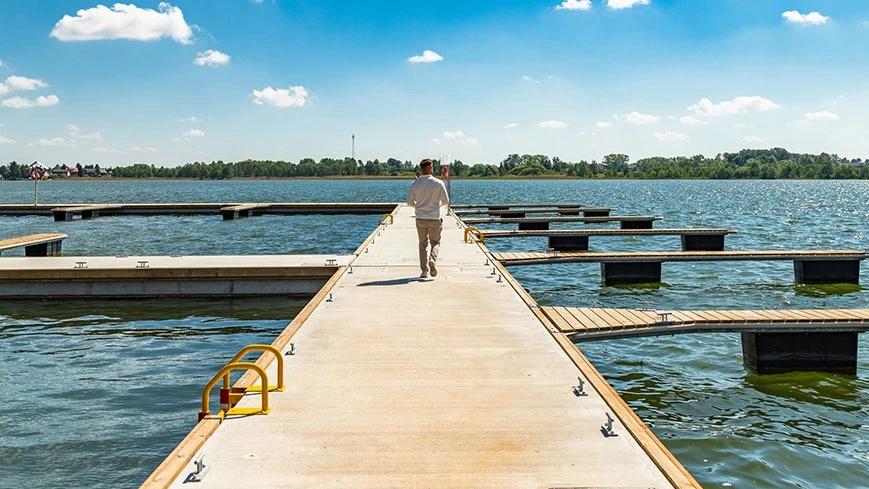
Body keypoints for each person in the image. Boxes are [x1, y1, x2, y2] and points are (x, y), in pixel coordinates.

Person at [406, 158, 449, 279]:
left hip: (420, 217)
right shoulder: (438, 183)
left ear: (421, 169)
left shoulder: (415, 184)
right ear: (431, 168)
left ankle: (424, 271)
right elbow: (446, 201)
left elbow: (409, 202)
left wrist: (418, 206)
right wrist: (437, 206)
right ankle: (433, 261)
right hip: (434, 217)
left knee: (422, 244)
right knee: (435, 242)